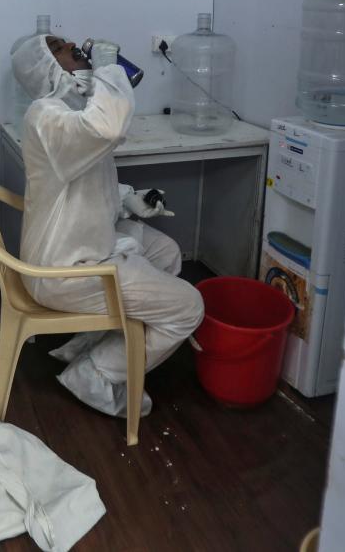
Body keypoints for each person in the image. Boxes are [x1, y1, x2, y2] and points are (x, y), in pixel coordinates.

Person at [11, 34, 204, 417]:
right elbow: (108, 129)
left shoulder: (69, 112)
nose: (75, 47)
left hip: (73, 246)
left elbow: (87, 181)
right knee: (188, 307)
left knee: (164, 252)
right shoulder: (45, 116)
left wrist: (130, 198)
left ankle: (102, 340)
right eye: (64, 48)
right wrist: (107, 66)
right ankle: (96, 372)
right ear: (48, 65)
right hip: (63, 270)